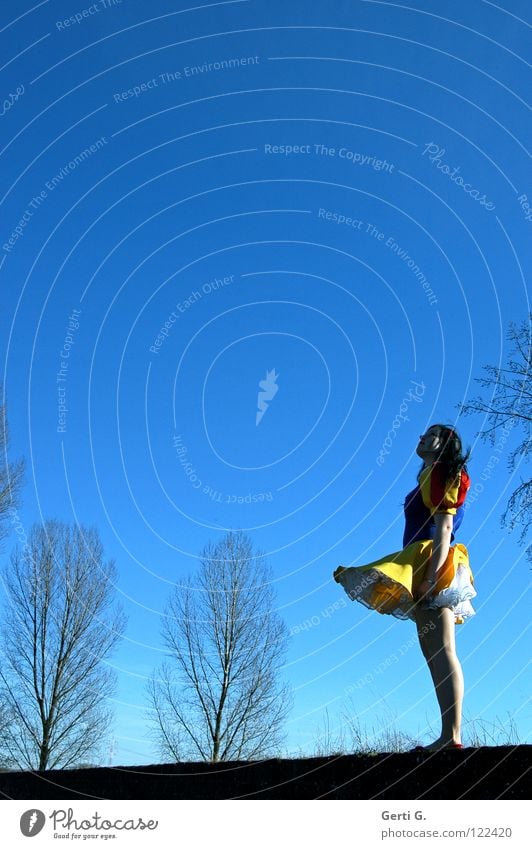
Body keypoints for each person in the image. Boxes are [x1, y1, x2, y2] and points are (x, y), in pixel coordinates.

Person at [333, 424, 476, 752]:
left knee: (442, 650)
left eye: (431, 435)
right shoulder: (429, 473)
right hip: (424, 561)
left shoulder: (441, 472)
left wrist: (430, 576)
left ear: (446, 445)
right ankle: (447, 736)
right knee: (432, 652)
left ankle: (452, 737)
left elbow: (444, 529)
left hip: (432, 561)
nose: (421, 438)